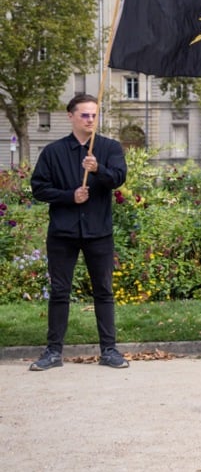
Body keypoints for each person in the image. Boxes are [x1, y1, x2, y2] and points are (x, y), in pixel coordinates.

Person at [29, 94, 129, 370]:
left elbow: (118, 179)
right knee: (60, 291)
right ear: (71, 116)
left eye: (94, 115)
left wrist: (98, 169)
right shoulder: (53, 152)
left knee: (104, 291)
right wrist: (69, 196)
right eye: (84, 115)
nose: (90, 120)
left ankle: (109, 350)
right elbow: (39, 188)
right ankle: (53, 352)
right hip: (63, 233)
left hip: (99, 231)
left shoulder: (109, 148)